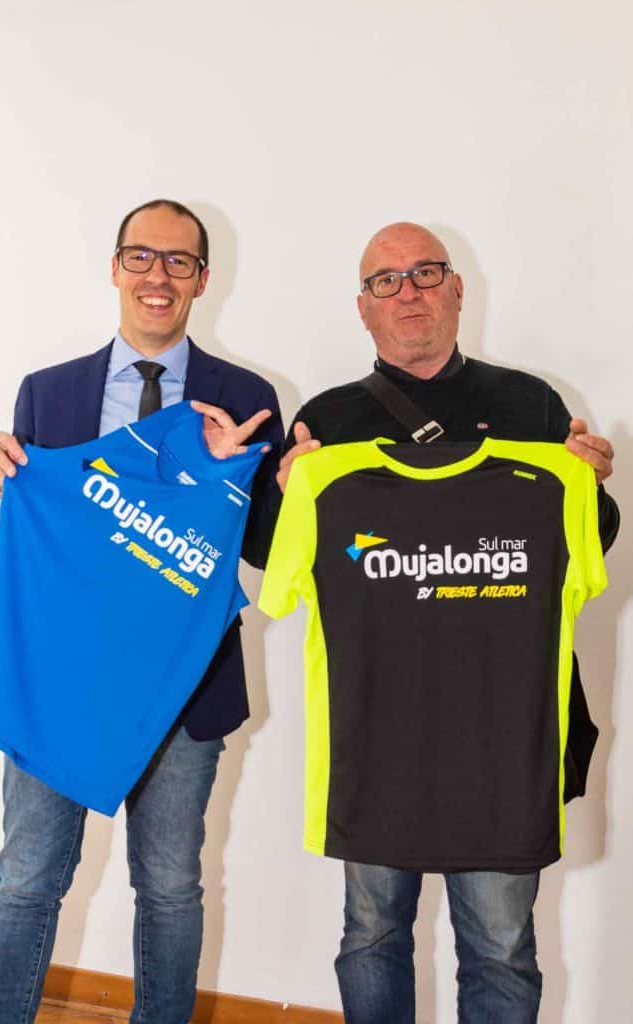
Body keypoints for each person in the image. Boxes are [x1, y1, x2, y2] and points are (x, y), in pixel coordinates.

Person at [272, 222, 617, 1024]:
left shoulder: (530, 404)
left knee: (500, 944)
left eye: (425, 273)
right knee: (370, 933)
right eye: (385, 280)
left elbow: (582, 547)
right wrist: (286, 494)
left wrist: (588, 488)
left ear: (457, 290)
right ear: (363, 306)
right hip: (373, 734)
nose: (408, 292)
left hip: (503, 737)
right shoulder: (327, 422)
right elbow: (277, 561)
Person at [0, 198, 282, 1024]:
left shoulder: (245, 396)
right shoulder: (49, 392)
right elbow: (18, 534)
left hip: (185, 687)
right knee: (28, 877)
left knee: (171, 887)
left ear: (203, 280)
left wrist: (249, 484)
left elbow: (264, 548)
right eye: (142, 256)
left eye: (179, 261)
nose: (159, 276)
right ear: (115, 267)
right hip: (63, 681)